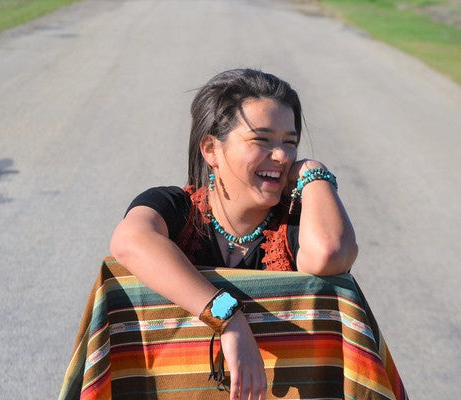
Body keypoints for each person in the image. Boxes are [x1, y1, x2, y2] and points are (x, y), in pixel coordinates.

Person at [109, 68, 359, 400]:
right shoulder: (173, 206)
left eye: (290, 142)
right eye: (261, 139)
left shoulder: (296, 225)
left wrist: (314, 173)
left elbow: (330, 252)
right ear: (211, 149)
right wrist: (229, 319)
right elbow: (129, 241)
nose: (282, 156)